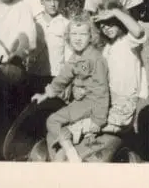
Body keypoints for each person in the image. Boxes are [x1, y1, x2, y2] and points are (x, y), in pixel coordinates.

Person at [31, 12, 110, 161]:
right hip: (81, 102)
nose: (78, 38)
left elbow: (102, 90)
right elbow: (62, 78)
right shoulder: (75, 57)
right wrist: (45, 94)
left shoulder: (96, 58)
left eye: (83, 34)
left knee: (52, 121)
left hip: (92, 104)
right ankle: (60, 154)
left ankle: (69, 150)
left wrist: (99, 120)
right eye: (74, 34)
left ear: (91, 36)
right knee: (52, 124)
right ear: (68, 36)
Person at [91, 0, 149, 134]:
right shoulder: (107, 48)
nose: (105, 27)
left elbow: (138, 31)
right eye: (102, 25)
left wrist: (115, 12)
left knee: (100, 127)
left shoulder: (129, 40)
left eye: (109, 22)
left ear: (119, 20)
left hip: (126, 99)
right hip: (111, 97)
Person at [28, 0, 72, 86]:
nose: (52, 4)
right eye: (48, 0)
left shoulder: (66, 24)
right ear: (42, 1)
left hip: (57, 77)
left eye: (55, 0)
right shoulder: (34, 23)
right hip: (35, 76)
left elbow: (69, 56)